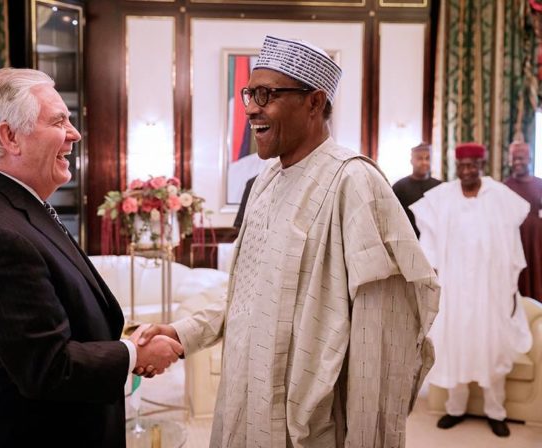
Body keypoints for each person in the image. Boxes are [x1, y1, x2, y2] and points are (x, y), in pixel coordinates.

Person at [136, 35, 439, 447]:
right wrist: (181, 333)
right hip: (247, 400)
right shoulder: (265, 181)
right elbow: (246, 295)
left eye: (267, 94)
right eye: (249, 94)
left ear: (314, 102)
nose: (251, 108)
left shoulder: (354, 183)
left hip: (311, 424)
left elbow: (381, 339)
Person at [0, 68, 183, 447]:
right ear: (10, 137)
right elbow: (47, 367)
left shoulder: (7, 203)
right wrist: (134, 354)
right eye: (58, 122)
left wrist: (118, 340)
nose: (75, 134)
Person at [410, 142, 532, 437]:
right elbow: (428, 239)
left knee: (491, 347)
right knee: (457, 346)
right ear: (457, 167)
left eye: (472, 166)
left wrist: (509, 283)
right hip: (455, 288)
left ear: (481, 165)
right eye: (462, 166)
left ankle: (495, 412)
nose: (466, 171)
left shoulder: (498, 195)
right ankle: (455, 408)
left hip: (490, 289)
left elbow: (512, 240)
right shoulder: (444, 197)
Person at [505, 140, 542, 302]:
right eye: (514, 159)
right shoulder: (505, 187)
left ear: (530, 159)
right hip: (514, 242)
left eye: (521, 158)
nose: (517, 162)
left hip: (537, 243)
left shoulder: (540, 185)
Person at [392, 142, 442, 237]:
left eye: (427, 158)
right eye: (420, 158)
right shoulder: (399, 187)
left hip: (434, 238)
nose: (424, 162)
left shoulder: (440, 187)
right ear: (411, 161)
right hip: (407, 239)